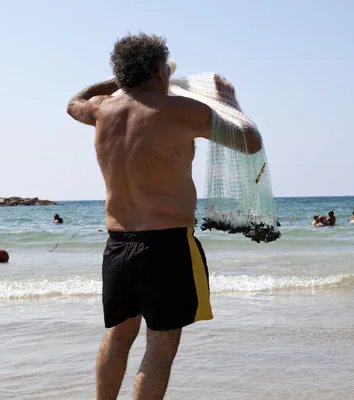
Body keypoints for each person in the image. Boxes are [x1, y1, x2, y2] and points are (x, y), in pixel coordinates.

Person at [66, 33, 262, 400]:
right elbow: (251, 141)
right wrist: (231, 102)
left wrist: (117, 82)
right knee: (160, 348)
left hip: (118, 246)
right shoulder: (182, 111)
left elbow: (73, 102)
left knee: (119, 336)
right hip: (167, 247)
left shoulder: (102, 110)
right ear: (160, 71)